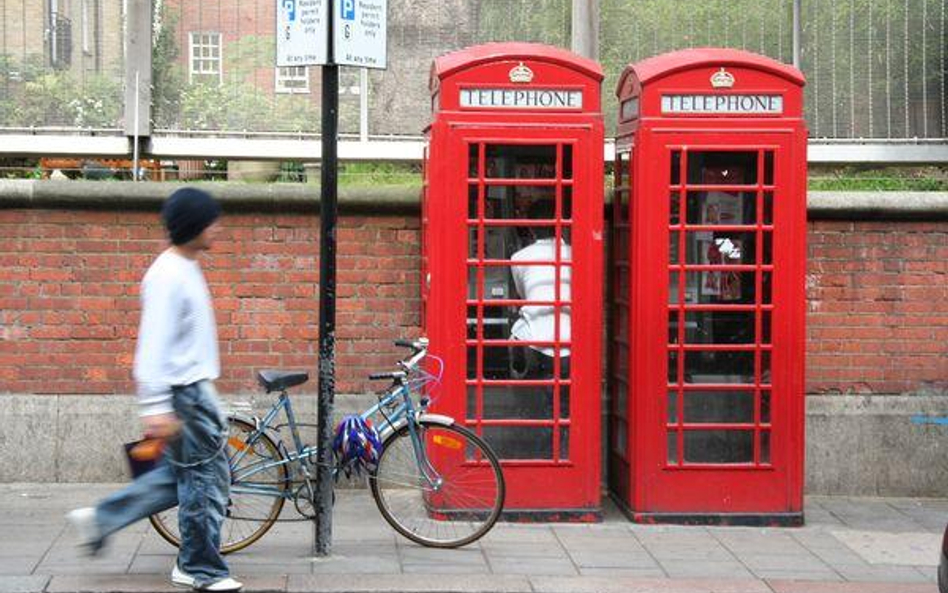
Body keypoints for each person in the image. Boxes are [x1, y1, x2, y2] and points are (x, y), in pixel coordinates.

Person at [66, 187, 241, 593]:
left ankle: (101, 520)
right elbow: (152, 347)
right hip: (184, 395)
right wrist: (157, 405)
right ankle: (199, 567)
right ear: (193, 226)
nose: (218, 226)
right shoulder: (168, 275)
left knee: (183, 477)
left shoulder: (186, 266)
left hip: (195, 391)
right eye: (211, 220)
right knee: (204, 483)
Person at [509, 199, 571, 383]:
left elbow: (523, 295)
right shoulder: (574, 254)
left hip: (534, 342)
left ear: (531, 226)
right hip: (571, 342)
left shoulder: (518, 257)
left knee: (516, 330)